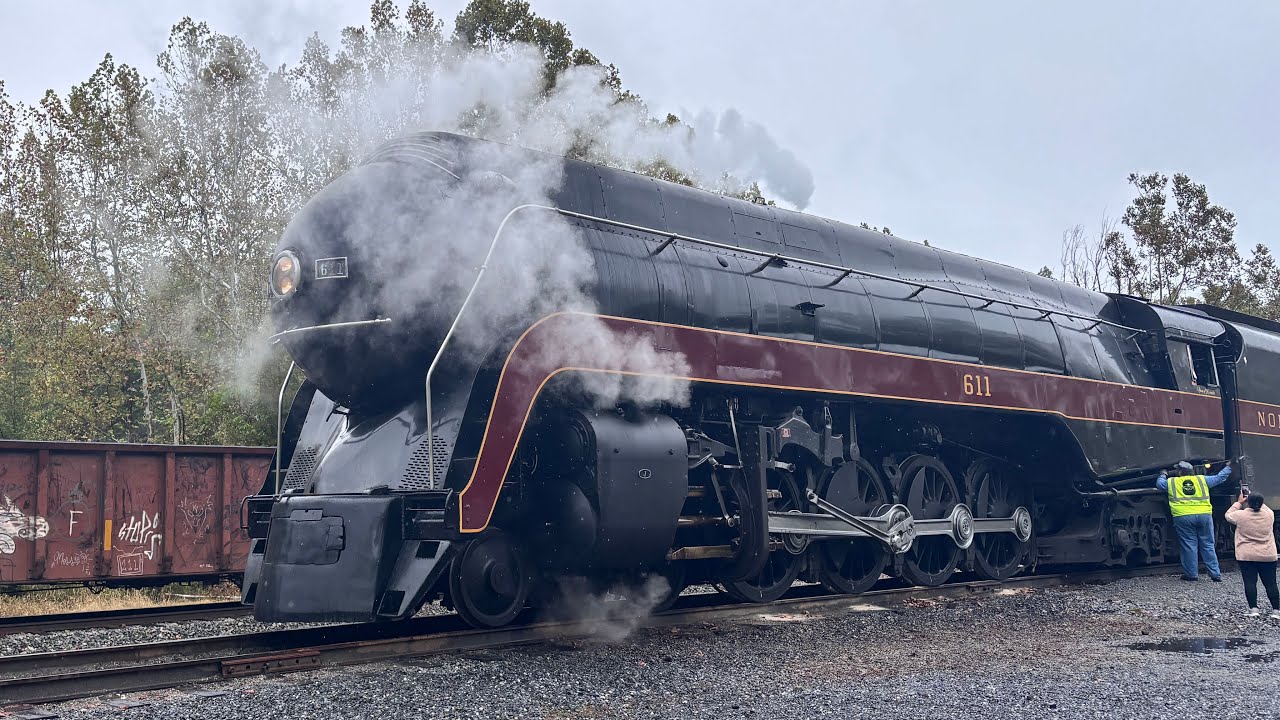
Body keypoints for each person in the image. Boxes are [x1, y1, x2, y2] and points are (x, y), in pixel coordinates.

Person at [1156, 460, 1232, 581]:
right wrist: (1229, 467)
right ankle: (1215, 574)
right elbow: (1219, 478)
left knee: (1189, 545)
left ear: (1180, 472)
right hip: (1204, 516)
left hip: (1183, 517)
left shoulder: (1172, 482)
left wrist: (1163, 474)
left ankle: (1191, 575)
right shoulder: (1202, 480)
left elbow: (1160, 484)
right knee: (1208, 545)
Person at [1224, 491, 1280, 619]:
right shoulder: (1269, 514)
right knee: (1271, 584)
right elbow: (1264, 507)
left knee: (1250, 582)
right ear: (1261, 503)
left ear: (1248, 502)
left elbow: (1228, 515)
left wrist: (1239, 502)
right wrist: (1255, 499)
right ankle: (1276, 611)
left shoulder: (1240, 515)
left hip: (1247, 555)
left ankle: (1254, 610)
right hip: (1267, 555)